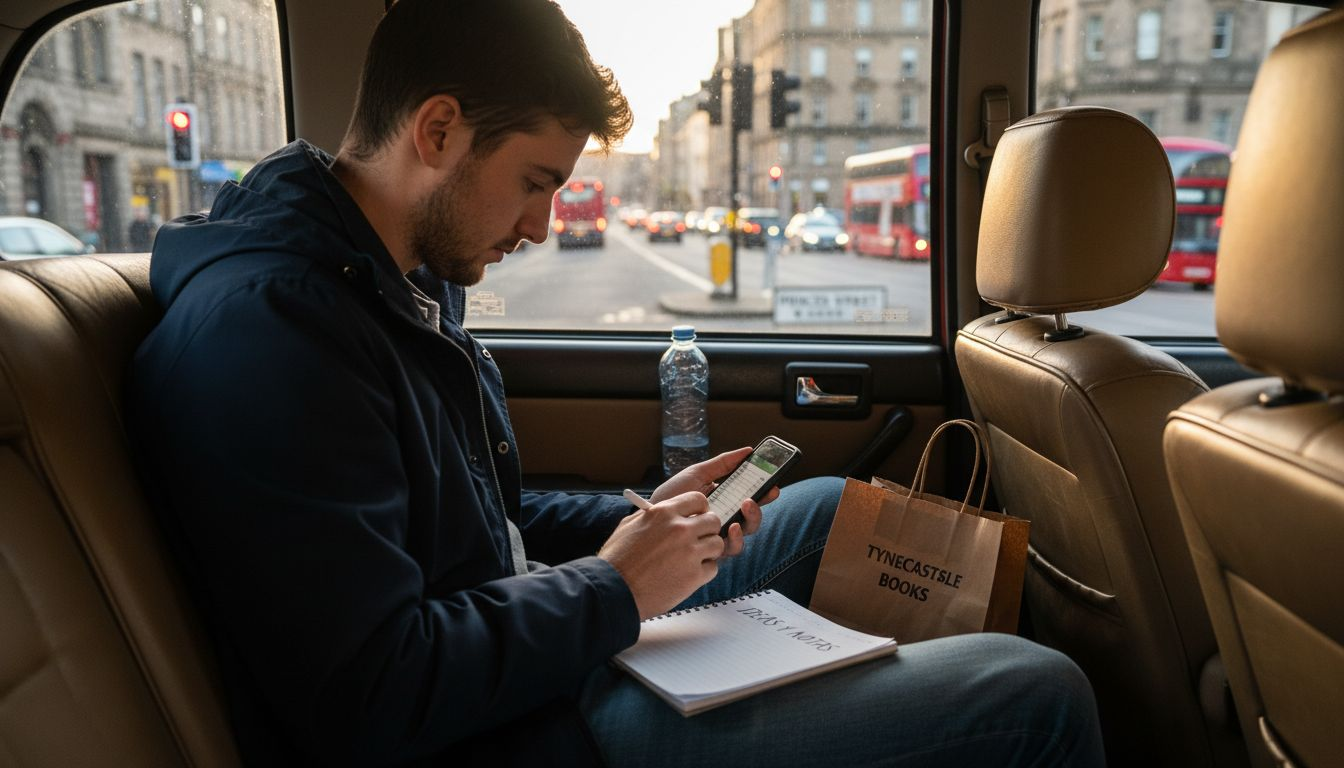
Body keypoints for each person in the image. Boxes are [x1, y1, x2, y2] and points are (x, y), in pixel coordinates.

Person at [126, 1, 1105, 766]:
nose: (545, 224)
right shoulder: (276, 334)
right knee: (1035, 691)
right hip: (508, 740)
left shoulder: (397, 281)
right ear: (437, 131)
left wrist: (639, 519)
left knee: (815, 508)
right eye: (537, 180)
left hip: (529, 666)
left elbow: (485, 525)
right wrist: (614, 586)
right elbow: (370, 695)